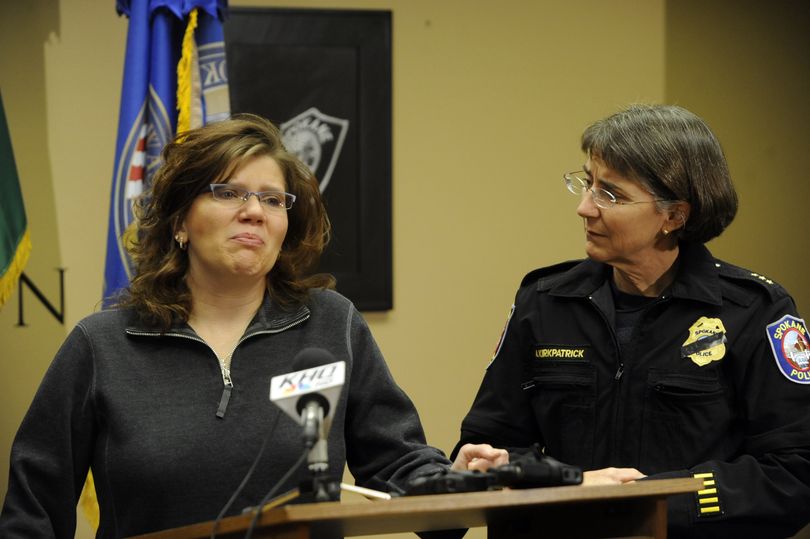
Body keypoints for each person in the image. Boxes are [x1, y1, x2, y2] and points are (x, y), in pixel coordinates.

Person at [0, 114, 505, 538]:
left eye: (272, 199)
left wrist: (455, 481)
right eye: (229, 193)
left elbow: (397, 467)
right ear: (179, 221)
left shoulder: (331, 325)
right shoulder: (103, 345)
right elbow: (32, 516)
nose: (253, 213)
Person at [453, 104, 810, 538]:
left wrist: (648, 499)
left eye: (610, 194)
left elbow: (793, 475)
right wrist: (500, 467)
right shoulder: (545, 300)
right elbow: (490, 439)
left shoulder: (754, 310)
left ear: (674, 216)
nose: (585, 208)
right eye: (587, 184)